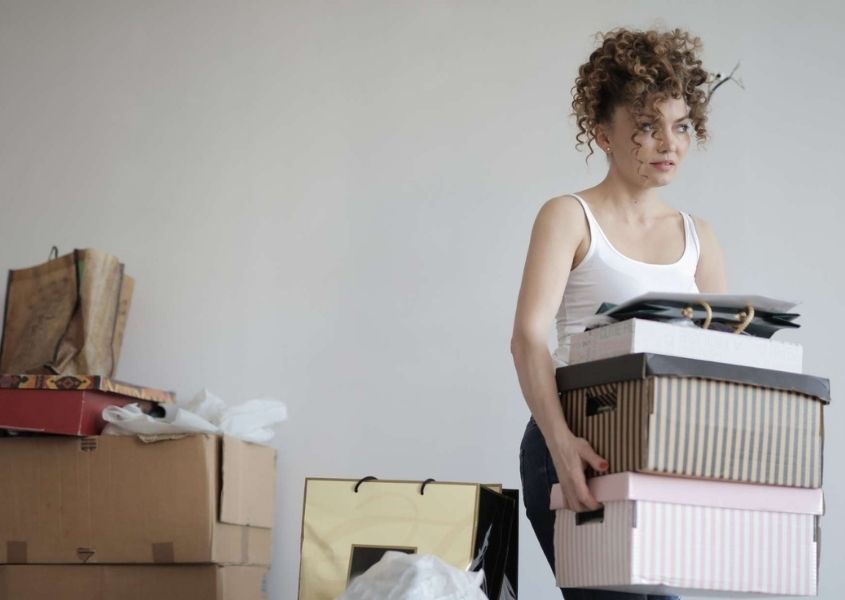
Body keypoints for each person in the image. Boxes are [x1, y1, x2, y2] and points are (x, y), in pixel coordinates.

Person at [510, 28, 728, 600]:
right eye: (647, 126)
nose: (668, 143)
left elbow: (722, 359)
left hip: (667, 455)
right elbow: (529, 338)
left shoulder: (698, 236)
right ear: (604, 134)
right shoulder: (568, 216)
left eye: (680, 126)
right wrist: (560, 444)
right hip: (580, 443)